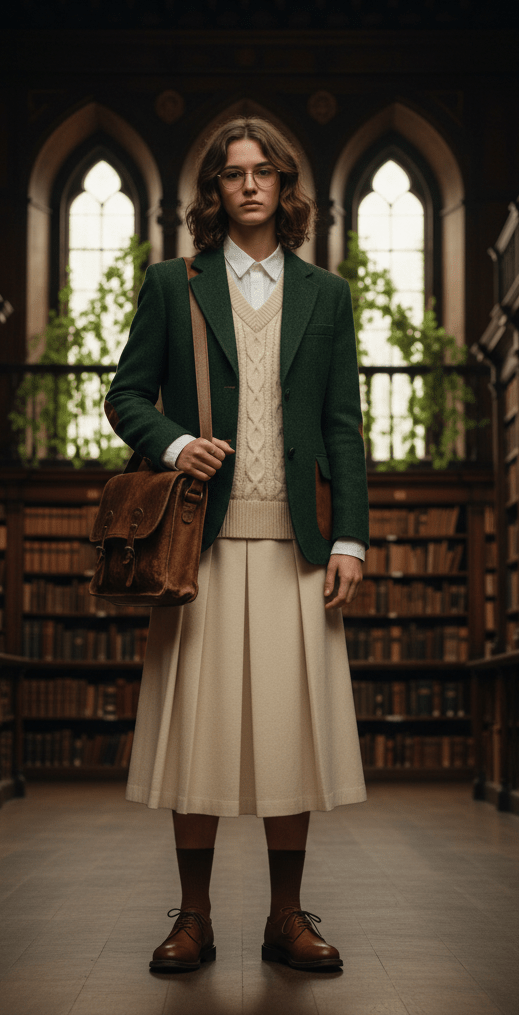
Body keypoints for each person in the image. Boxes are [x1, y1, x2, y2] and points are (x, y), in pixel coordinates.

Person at [103, 115, 369, 973]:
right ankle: (195, 917)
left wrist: (352, 539)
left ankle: (286, 919)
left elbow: (342, 426)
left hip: (298, 544)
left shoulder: (327, 295)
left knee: (290, 735)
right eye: (232, 173)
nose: (248, 185)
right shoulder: (172, 285)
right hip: (201, 545)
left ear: (285, 188)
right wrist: (178, 444)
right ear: (212, 191)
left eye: (263, 172)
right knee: (199, 737)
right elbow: (126, 397)